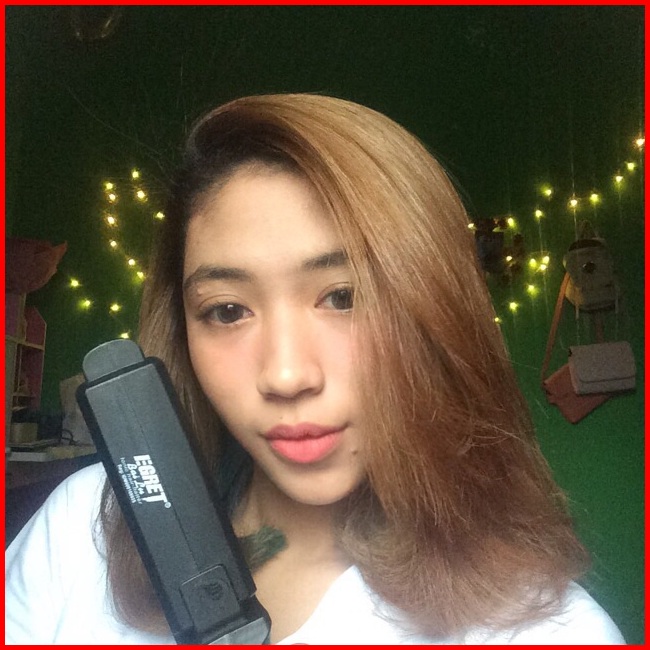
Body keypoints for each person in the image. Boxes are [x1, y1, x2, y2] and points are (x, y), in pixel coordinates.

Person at [5, 93, 625, 644]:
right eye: (227, 310)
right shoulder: (85, 528)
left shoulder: (549, 632)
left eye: (344, 297)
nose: (286, 375)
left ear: (436, 312)